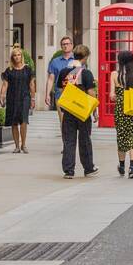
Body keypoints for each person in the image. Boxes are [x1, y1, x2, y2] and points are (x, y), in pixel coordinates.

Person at [56, 44, 98, 179]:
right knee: (85, 139)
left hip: (69, 111)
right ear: (85, 58)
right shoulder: (86, 73)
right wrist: (95, 111)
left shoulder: (64, 72)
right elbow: (91, 93)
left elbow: (62, 91)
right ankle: (88, 168)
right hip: (83, 111)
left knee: (69, 140)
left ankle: (68, 170)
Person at [109, 48, 133, 178]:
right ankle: (132, 168)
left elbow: (112, 95)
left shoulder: (114, 74)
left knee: (121, 138)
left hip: (120, 110)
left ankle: (121, 166)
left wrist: (118, 96)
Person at [0, 45, 36, 153]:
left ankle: (23, 144)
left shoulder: (28, 69)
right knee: (14, 122)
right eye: (14, 55)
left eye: (19, 55)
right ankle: (16, 146)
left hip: (25, 97)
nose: (17, 57)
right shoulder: (9, 70)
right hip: (12, 98)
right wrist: (2, 96)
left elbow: (32, 85)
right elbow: (5, 84)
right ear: (12, 57)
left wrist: (33, 99)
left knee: (24, 121)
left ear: (21, 56)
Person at [46, 35, 78, 131]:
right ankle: (66, 144)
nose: (65, 46)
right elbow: (51, 78)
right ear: (61, 46)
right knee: (63, 121)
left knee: (74, 121)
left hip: (75, 94)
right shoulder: (55, 61)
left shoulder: (77, 60)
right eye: (63, 44)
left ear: (72, 45)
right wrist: (47, 94)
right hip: (60, 94)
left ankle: (72, 142)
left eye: (67, 44)